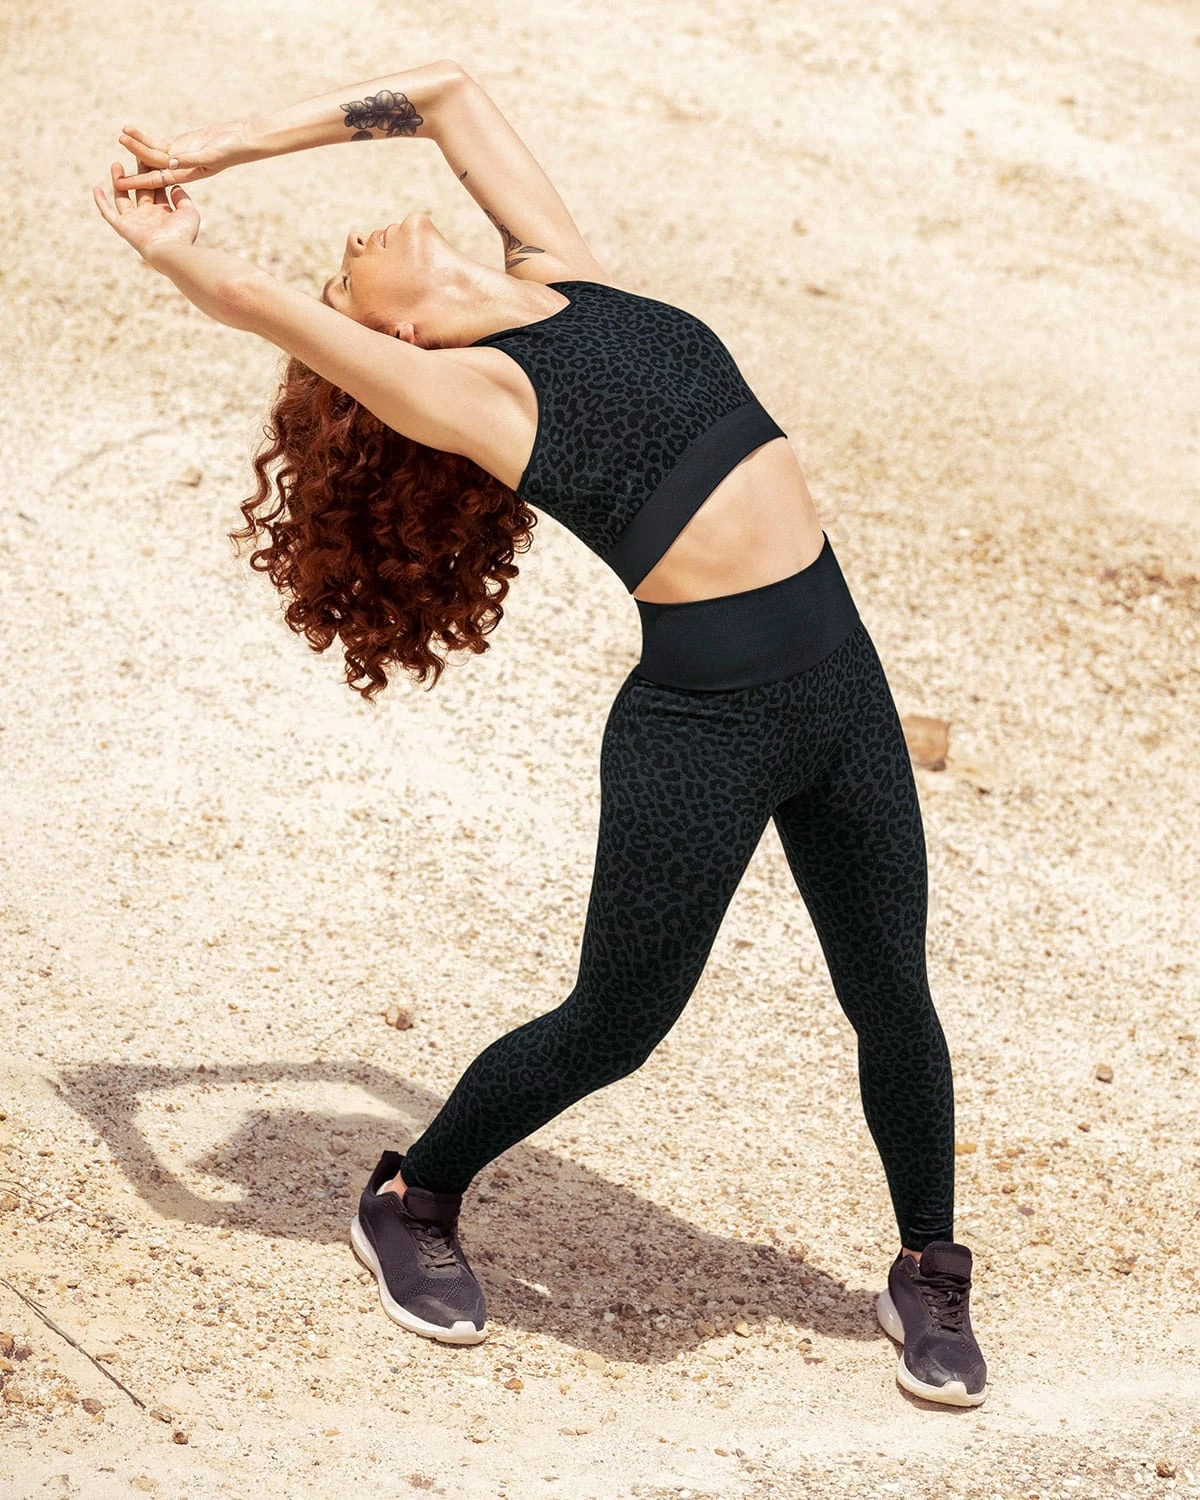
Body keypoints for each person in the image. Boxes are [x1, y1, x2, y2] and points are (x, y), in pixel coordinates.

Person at [94, 59, 987, 1408]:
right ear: (393, 344)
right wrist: (172, 244)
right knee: (617, 1024)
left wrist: (221, 144)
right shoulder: (475, 397)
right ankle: (412, 1195)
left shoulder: (563, 276)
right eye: (342, 288)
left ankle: (928, 1266)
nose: (345, 253)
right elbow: (250, 297)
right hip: (702, 728)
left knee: (892, 995)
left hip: (842, 692)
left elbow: (447, 93)